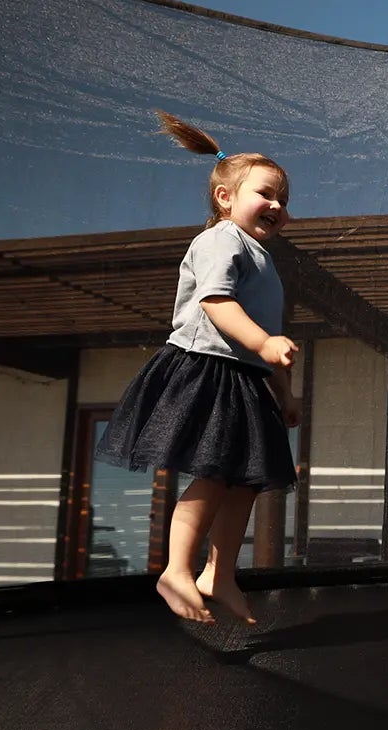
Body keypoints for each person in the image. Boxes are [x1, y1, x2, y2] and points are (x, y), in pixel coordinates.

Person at [95, 111, 301, 626]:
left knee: (247, 481)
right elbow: (216, 302)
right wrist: (266, 342)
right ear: (225, 198)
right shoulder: (221, 240)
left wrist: (285, 391)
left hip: (246, 379)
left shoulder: (265, 260)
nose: (276, 205)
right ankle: (176, 569)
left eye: (284, 200)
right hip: (204, 369)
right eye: (266, 193)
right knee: (214, 474)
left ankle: (220, 572)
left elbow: (264, 343)